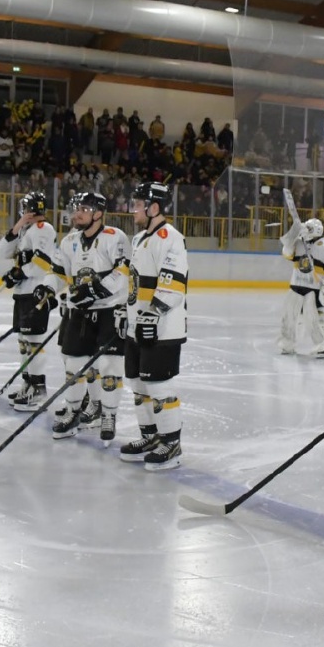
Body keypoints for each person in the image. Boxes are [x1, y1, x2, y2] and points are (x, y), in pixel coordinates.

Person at [120, 181, 190, 471]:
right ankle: (150, 437)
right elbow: (134, 282)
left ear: (154, 207)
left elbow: (173, 281)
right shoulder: (138, 239)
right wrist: (125, 312)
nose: (133, 208)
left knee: (159, 385)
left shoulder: (170, 237)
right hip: (138, 325)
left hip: (163, 328)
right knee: (138, 383)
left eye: (138, 204)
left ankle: (171, 443)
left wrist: (155, 311)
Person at [51, 191, 129, 439]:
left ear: (98, 213)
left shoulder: (114, 237)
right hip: (80, 313)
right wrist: (46, 288)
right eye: (75, 209)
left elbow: (123, 272)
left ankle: (108, 414)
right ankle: (75, 411)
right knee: (73, 365)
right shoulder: (69, 241)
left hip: (110, 312)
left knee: (109, 367)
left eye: (83, 209)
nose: (77, 214)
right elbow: (58, 273)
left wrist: (93, 290)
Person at [0, 191, 63, 410]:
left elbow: (41, 263)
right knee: (24, 342)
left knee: (34, 342)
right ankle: (27, 383)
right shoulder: (25, 230)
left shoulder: (43, 229)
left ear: (34, 209)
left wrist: (19, 273)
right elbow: (3, 251)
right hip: (23, 292)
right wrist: (16, 226)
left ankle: (38, 388)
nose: (23, 211)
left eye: (26, 207)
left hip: (36, 292)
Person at [277, 217, 324, 358]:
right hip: (296, 285)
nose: (306, 231)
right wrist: (294, 232)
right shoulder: (299, 242)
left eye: (309, 228)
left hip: (315, 288)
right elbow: (287, 253)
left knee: (316, 318)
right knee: (289, 317)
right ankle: (288, 343)